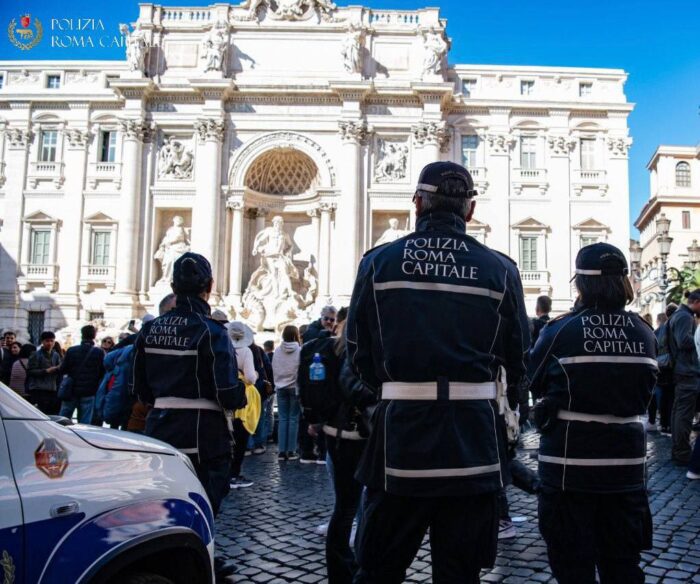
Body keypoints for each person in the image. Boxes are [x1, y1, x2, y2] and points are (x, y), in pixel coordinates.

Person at [347, 161, 530, 584]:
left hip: (400, 438)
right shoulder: (500, 268)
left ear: (417, 203)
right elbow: (519, 359)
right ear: (470, 209)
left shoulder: (378, 262)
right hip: (473, 439)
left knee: (377, 570)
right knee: (461, 575)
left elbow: (358, 353)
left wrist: (392, 392)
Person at [528, 242, 656, 584]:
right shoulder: (644, 333)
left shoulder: (560, 330)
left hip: (570, 471)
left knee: (572, 570)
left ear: (581, 284)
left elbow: (535, 382)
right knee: (623, 567)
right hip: (627, 473)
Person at [133, 252, 246, 581]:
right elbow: (227, 394)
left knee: (166, 502)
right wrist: (252, 391)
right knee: (205, 504)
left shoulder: (150, 330)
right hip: (204, 436)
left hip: (159, 431)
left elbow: (139, 391)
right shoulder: (211, 331)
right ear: (209, 287)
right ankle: (200, 561)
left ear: (172, 286)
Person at [324, 318, 376, 584]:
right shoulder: (354, 353)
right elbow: (353, 388)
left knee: (347, 505)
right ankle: (348, 565)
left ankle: (344, 564)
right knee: (353, 506)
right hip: (352, 435)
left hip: (340, 434)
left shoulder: (337, 349)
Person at [667, 289, 700, 464]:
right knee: (683, 414)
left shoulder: (681, 315)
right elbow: (684, 341)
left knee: (680, 412)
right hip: (686, 371)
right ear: (696, 302)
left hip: (683, 371)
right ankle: (681, 451)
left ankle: (679, 450)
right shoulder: (685, 317)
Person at [227, 321, 258, 490]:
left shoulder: (223, 348)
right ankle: (234, 473)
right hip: (241, 398)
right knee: (240, 437)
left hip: (224, 396)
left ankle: (225, 472)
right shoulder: (245, 351)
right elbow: (251, 377)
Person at [58, 325, 105, 424]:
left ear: (82, 335)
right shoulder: (99, 352)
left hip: (71, 390)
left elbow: (63, 369)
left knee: (63, 419)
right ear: (94, 336)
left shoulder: (71, 350)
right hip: (89, 391)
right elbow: (102, 372)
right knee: (84, 422)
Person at [273, 325, 302, 461]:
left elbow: (275, 367)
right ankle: (291, 451)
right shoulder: (300, 350)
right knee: (293, 419)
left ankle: (281, 451)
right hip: (294, 387)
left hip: (280, 387)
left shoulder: (278, 351)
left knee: (283, 419)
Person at [26, 331, 63, 415]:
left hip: (52, 389)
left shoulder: (56, 355)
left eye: (51, 341)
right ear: (42, 342)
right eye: (47, 341)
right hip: (38, 390)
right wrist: (46, 371)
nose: (49, 343)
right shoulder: (36, 354)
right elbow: (30, 371)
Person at [263, 339, 276, 443]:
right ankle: (269, 434)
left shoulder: (263, 356)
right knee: (270, 412)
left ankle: (262, 434)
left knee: (263, 412)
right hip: (273, 388)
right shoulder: (275, 356)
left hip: (265, 387)